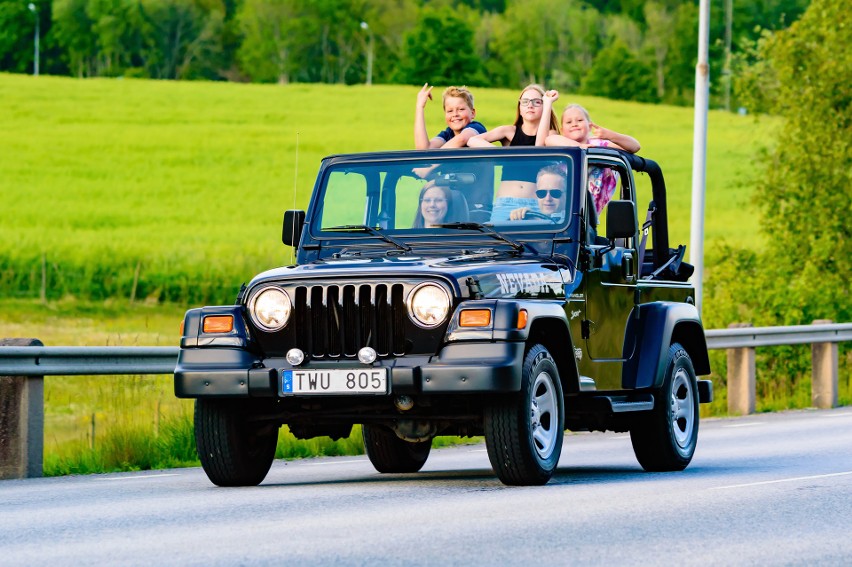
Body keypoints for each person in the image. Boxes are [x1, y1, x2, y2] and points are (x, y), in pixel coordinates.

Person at [467, 85, 560, 222]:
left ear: (544, 107)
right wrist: (502, 154)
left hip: (536, 205)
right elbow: (472, 140)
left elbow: (539, 147)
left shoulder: (551, 135)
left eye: (537, 102)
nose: (530, 105)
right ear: (520, 109)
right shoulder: (508, 132)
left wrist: (548, 103)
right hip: (505, 204)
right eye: (525, 102)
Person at [542, 94, 641, 213]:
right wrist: (580, 147)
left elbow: (635, 146)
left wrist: (610, 135)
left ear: (589, 126)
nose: (574, 124)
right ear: (562, 130)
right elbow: (549, 140)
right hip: (562, 213)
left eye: (579, 120)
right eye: (569, 122)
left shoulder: (598, 144)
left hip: (590, 216)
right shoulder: (563, 147)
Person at [414, 84, 486, 149]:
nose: (455, 114)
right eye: (450, 111)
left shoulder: (476, 128)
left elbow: (462, 139)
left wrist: (437, 159)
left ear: (472, 113)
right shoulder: (448, 134)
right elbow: (424, 149)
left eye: (461, 109)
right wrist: (419, 107)